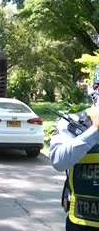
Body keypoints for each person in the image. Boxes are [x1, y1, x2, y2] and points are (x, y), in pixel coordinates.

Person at [50, 66, 99, 230]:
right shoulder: (73, 123)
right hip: (82, 224)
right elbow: (58, 160)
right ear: (96, 89)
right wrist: (94, 131)